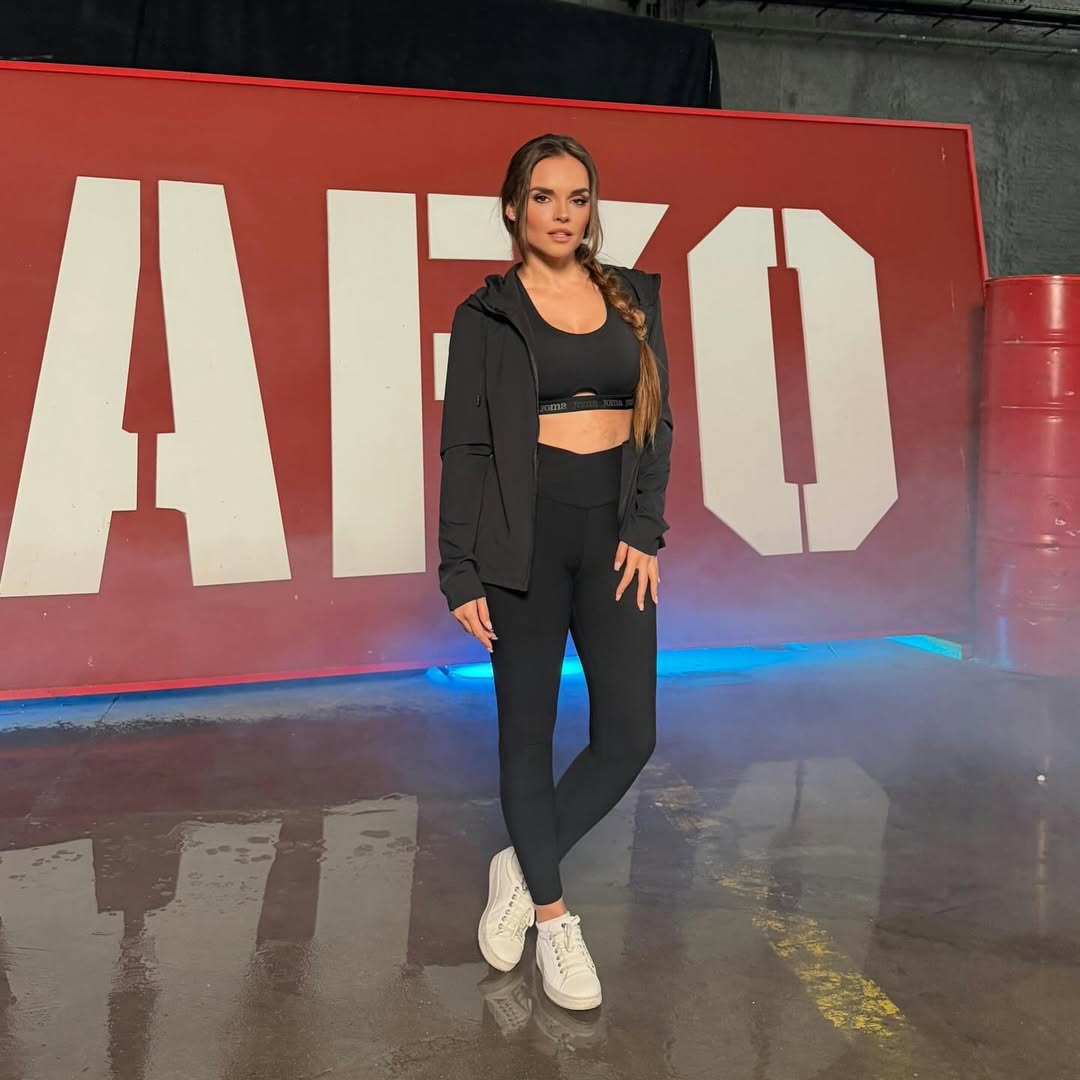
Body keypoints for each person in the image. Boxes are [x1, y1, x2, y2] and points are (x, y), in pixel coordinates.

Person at [437, 133, 673, 1011]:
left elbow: (659, 420)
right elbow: (466, 446)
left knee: (630, 735)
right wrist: (459, 570)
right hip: (522, 543)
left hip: (613, 540)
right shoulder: (486, 315)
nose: (562, 214)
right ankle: (553, 916)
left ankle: (522, 861)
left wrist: (644, 526)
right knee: (526, 738)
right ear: (514, 208)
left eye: (578, 198)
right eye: (544, 197)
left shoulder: (634, 298)